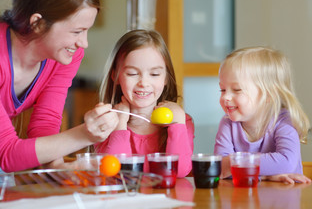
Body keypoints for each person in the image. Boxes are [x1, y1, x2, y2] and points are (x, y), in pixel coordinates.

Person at [0, 0, 118, 196]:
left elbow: (44, 123)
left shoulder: (65, 56)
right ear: (37, 22)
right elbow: (7, 153)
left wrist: (57, 167)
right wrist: (85, 135)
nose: (84, 43)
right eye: (77, 31)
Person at [94, 29, 195, 177]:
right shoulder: (106, 122)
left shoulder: (182, 121)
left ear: (166, 77)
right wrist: (120, 125)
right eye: (132, 74)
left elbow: (179, 171)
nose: (144, 83)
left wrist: (178, 122)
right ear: (115, 75)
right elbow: (115, 173)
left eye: (154, 74)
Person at [214, 47, 311, 184]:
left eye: (236, 90)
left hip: (283, 198)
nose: (226, 97)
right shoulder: (227, 123)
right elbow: (219, 168)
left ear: (269, 95)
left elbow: (287, 162)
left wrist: (234, 164)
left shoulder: (284, 121)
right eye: (222, 89)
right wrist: (266, 176)